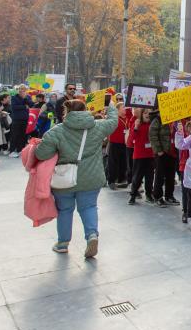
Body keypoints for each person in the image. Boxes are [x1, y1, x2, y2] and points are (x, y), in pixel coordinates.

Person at [35, 99, 119, 257]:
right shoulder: (98, 127)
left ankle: (62, 243)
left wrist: (40, 146)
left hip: (64, 180)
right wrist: (112, 105)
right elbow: (113, 121)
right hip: (91, 178)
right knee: (89, 207)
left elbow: (41, 154)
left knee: (65, 210)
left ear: (66, 112)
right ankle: (92, 235)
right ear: (85, 109)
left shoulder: (56, 131)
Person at [149, 106, 179, 207]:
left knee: (171, 176)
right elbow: (152, 135)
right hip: (162, 152)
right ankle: (158, 196)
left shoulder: (176, 119)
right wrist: (158, 150)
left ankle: (169, 196)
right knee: (160, 175)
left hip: (172, 152)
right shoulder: (157, 119)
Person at [128, 108, 156, 205]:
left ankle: (149, 195)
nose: (147, 114)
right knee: (137, 177)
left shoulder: (152, 124)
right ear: (141, 114)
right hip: (139, 155)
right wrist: (135, 127)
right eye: (145, 113)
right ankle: (133, 195)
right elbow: (131, 140)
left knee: (150, 177)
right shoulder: (137, 124)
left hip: (150, 155)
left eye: (149, 113)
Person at [106, 102, 131, 189]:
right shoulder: (114, 118)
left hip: (125, 144)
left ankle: (122, 180)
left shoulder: (128, 117)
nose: (125, 108)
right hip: (115, 143)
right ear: (118, 109)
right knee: (113, 163)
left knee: (124, 163)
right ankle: (111, 181)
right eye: (123, 107)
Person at [8, 85, 34, 156]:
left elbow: (31, 105)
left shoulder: (28, 97)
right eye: (21, 89)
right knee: (15, 135)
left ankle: (20, 149)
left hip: (25, 118)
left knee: (23, 135)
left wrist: (25, 98)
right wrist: (24, 106)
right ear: (18, 90)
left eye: (24, 89)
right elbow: (14, 107)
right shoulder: (14, 97)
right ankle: (12, 150)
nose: (22, 91)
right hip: (16, 119)